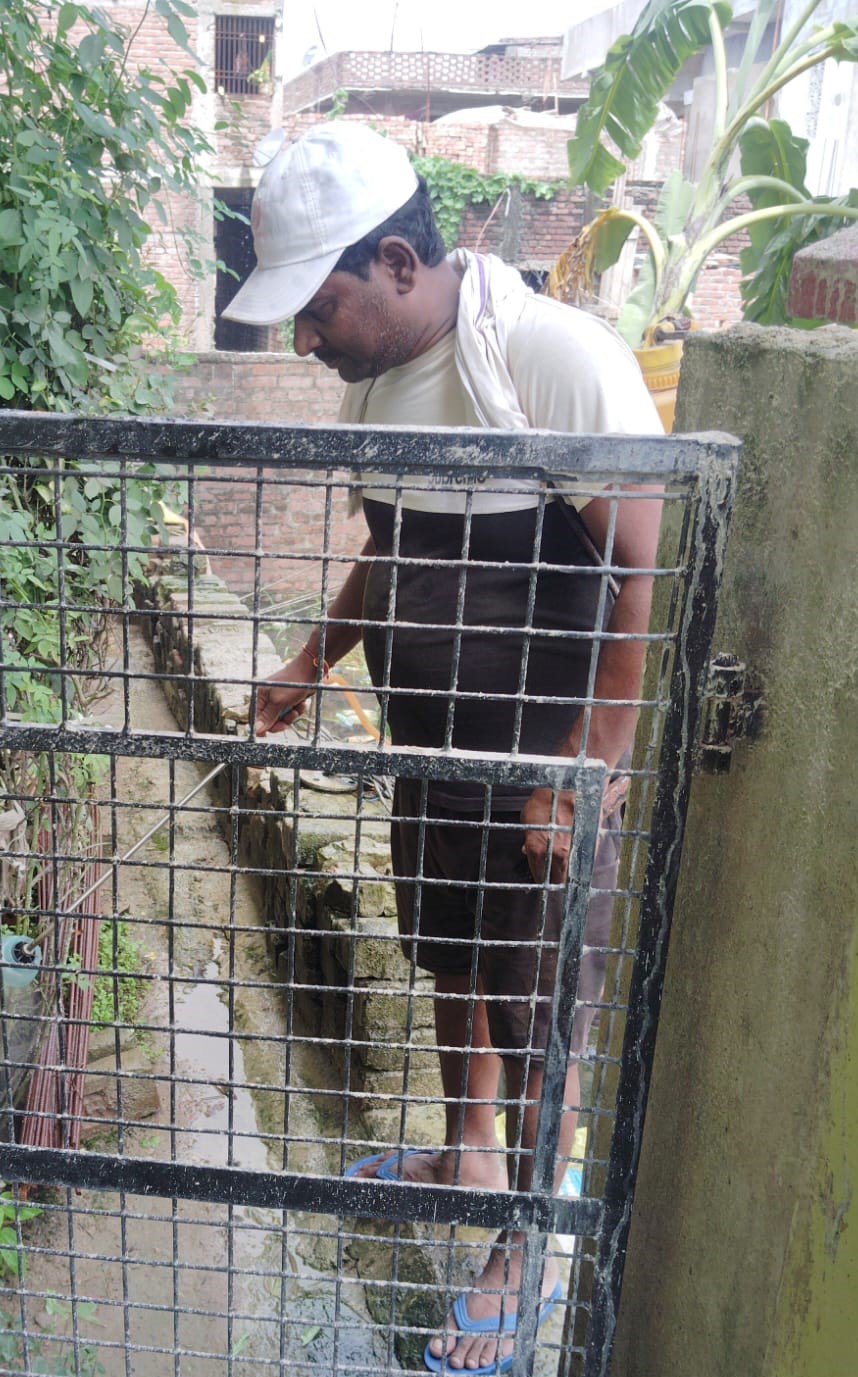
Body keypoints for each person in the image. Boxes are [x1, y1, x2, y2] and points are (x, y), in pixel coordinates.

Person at [221, 122, 662, 1373]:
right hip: (432, 751)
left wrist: (586, 769)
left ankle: (524, 1240)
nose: (304, 340)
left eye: (320, 307)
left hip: (538, 779)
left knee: (541, 1017)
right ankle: (467, 1152)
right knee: (451, 960)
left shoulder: (548, 360)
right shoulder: (373, 380)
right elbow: (390, 551)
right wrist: (312, 661)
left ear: (400, 261)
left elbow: (639, 571)